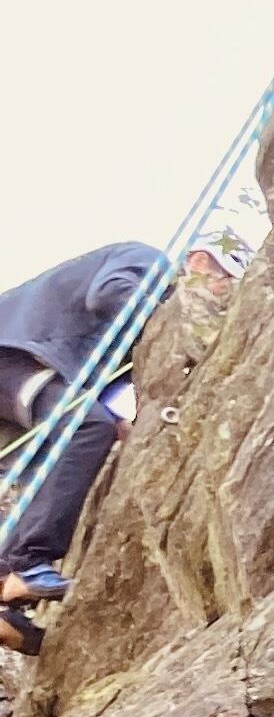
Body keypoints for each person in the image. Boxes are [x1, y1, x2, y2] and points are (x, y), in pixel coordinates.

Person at [0, 239, 168, 653]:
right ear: (199, 261)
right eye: (221, 279)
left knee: (53, 467)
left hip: (21, 370)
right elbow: (111, 293)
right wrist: (171, 314)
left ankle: (5, 594)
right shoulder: (149, 259)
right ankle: (27, 563)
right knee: (86, 428)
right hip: (13, 359)